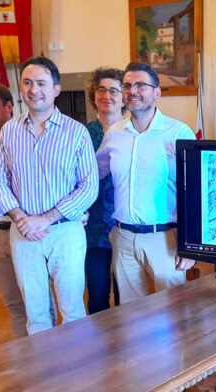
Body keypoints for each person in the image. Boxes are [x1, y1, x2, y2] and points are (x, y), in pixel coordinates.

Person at [0, 56, 98, 334]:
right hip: (23, 232)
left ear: (56, 90)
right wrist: (21, 218)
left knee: (72, 310)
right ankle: (45, 374)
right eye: (27, 83)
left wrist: (45, 219)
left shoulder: (77, 133)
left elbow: (89, 186)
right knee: (36, 313)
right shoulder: (10, 130)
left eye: (41, 83)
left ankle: (77, 373)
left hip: (65, 232)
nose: (33, 89)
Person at [96, 62, 195, 304]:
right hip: (123, 238)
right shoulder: (114, 133)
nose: (132, 91)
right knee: (131, 317)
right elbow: (92, 175)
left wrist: (190, 244)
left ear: (157, 93)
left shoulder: (178, 133)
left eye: (141, 85)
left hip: (165, 239)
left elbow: (196, 191)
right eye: (127, 86)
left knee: (173, 315)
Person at [0, 80, 57, 337]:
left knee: (39, 303)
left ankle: (50, 357)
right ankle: (28, 357)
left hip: (25, 231)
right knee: (13, 303)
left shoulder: (29, 135)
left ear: (9, 106)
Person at [83, 68, 125, 314]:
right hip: (93, 225)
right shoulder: (82, 133)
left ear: (123, 97)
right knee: (98, 292)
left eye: (113, 90)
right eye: (101, 90)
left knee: (125, 294)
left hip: (124, 225)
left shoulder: (132, 133)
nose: (106, 95)